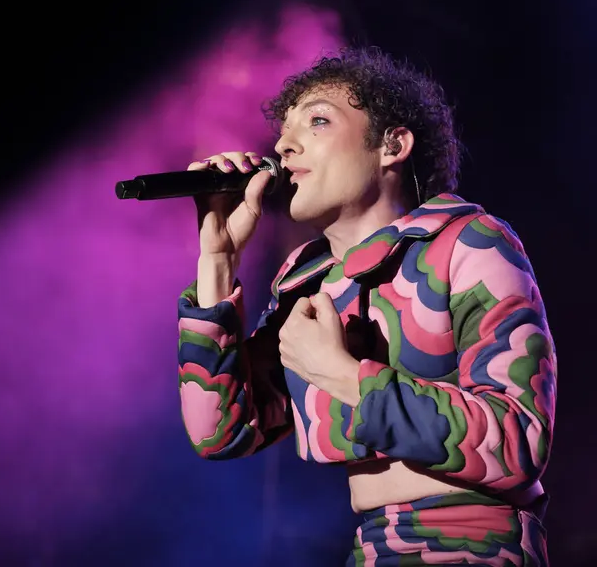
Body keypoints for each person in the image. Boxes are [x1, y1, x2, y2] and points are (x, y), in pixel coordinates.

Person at [177, 47, 556, 566]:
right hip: (371, 549)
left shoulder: (468, 243)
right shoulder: (305, 284)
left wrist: (344, 375)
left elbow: (518, 442)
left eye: (317, 121)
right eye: (284, 132)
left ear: (392, 145)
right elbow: (220, 433)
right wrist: (217, 261)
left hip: (477, 546)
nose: (284, 147)